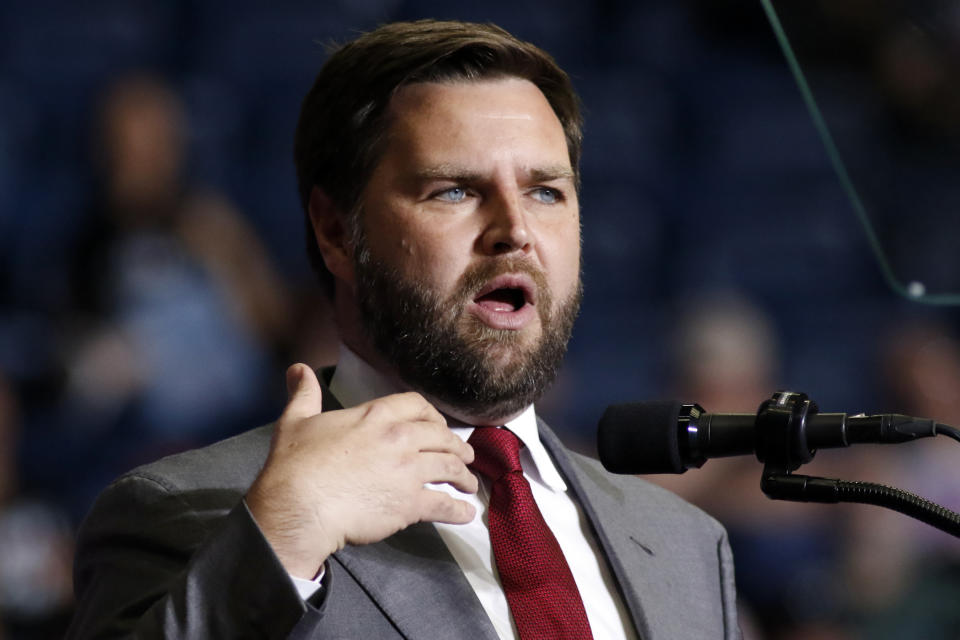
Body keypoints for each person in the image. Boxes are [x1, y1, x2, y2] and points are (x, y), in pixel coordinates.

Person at [67, 20, 739, 639]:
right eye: (454, 190)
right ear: (337, 231)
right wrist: (278, 543)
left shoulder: (685, 545)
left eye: (546, 191)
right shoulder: (193, 513)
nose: (516, 232)